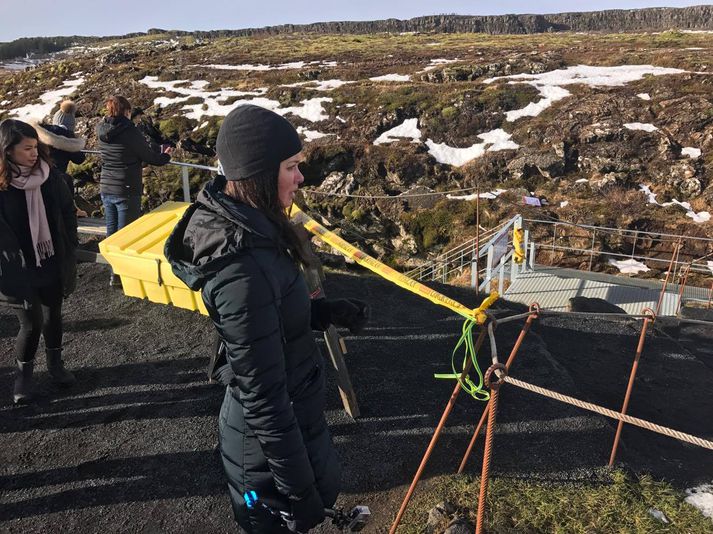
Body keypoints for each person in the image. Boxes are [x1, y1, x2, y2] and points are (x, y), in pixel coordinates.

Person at [164, 104, 367, 533]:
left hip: (286, 430)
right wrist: (300, 493)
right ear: (257, 174)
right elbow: (263, 399)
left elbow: (268, 320)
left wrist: (321, 312)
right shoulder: (241, 268)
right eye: (291, 167)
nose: (301, 178)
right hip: (265, 457)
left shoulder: (254, 227)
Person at [0, 119, 78, 404]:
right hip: (17, 268)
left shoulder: (50, 176)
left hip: (51, 260)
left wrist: (70, 243)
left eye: (36, 147)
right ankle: (23, 378)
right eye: (27, 149)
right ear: (8, 151)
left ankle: (56, 367)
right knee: (30, 323)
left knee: (52, 314)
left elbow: (68, 212)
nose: (34, 154)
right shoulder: (2, 186)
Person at [96, 95, 172, 286]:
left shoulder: (101, 129)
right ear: (126, 111)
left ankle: (114, 273)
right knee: (127, 233)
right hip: (127, 187)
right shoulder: (130, 131)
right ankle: (122, 276)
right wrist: (165, 156)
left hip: (106, 185)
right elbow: (149, 156)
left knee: (112, 233)